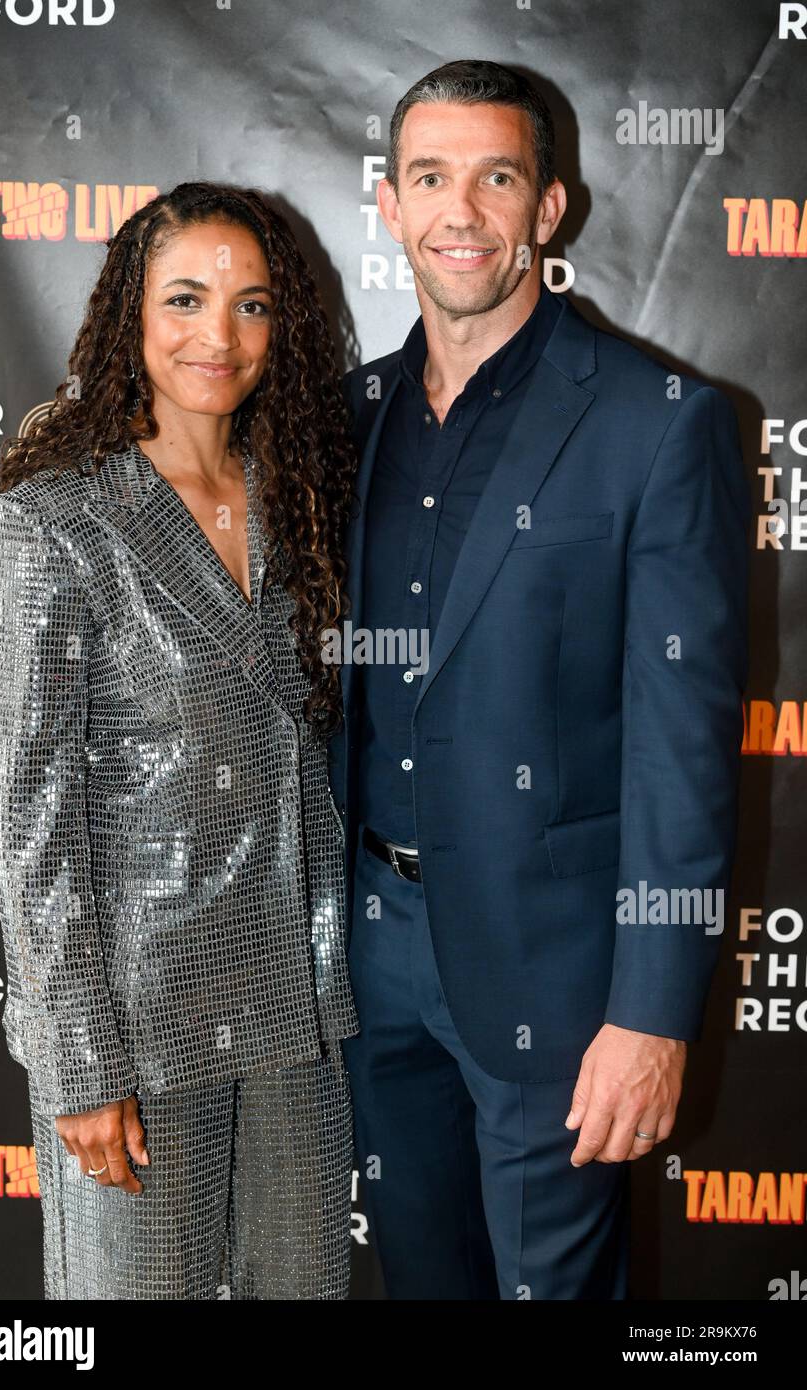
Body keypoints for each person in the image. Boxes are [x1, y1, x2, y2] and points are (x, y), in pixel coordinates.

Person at [331, 60, 751, 1299]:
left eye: (496, 177)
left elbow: (681, 748)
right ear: (391, 204)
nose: (461, 211)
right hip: (372, 956)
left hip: (559, 983)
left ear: (548, 206)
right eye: (431, 178)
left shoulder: (657, 420)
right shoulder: (348, 415)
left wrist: (654, 1013)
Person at [0, 181, 360, 1300]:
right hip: (138, 1022)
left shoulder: (306, 495)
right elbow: (33, 821)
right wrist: (80, 1063)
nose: (217, 337)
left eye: (252, 305)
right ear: (130, 314)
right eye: (185, 299)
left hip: (296, 1002)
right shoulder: (56, 517)